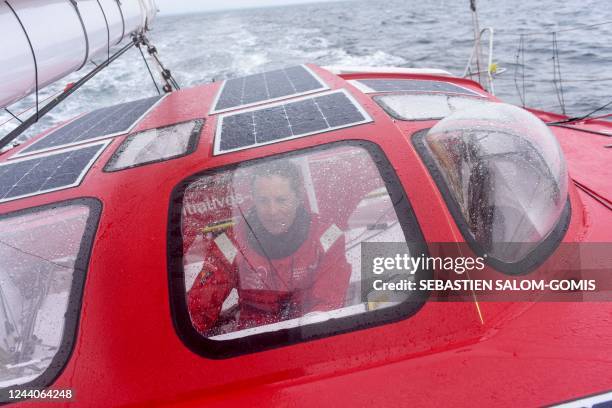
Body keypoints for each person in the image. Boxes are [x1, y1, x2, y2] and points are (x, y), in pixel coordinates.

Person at [187, 160, 351, 335]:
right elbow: (199, 307)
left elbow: (328, 300)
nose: (272, 211)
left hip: (310, 333)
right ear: (253, 199)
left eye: (281, 200)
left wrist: (309, 332)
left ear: (298, 198)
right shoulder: (230, 242)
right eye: (263, 200)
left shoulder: (328, 236)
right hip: (251, 338)